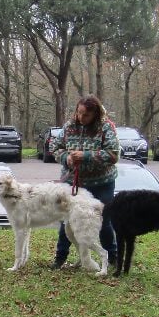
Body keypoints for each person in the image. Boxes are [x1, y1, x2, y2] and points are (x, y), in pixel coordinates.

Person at [51, 95, 119, 269]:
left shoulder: (106, 127)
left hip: (101, 183)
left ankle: (112, 257)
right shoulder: (69, 126)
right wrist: (66, 158)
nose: (81, 117)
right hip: (74, 183)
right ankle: (60, 257)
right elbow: (55, 147)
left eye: (85, 115)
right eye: (78, 113)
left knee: (104, 220)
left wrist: (86, 156)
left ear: (95, 114)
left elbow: (113, 154)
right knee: (67, 220)